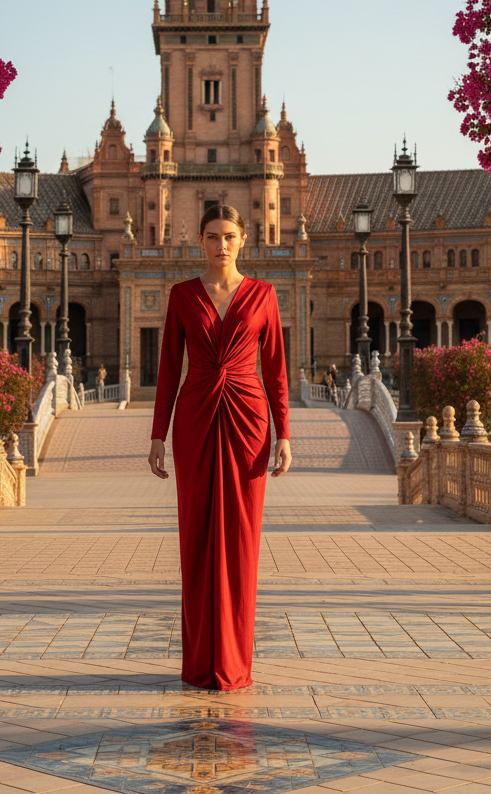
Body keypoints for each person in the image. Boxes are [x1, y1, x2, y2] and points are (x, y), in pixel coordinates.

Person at [148, 204, 291, 691]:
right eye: (212, 236)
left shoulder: (265, 295)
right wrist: (157, 435)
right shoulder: (182, 295)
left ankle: (233, 661)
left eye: (229, 236)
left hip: (249, 420)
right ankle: (199, 660)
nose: (221, 245)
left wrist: (285, 433)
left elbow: (275, 370)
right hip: (194, 418)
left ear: (243, 240)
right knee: (195, 534)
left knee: (243, 539)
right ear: (200, 241)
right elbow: (169, 368)